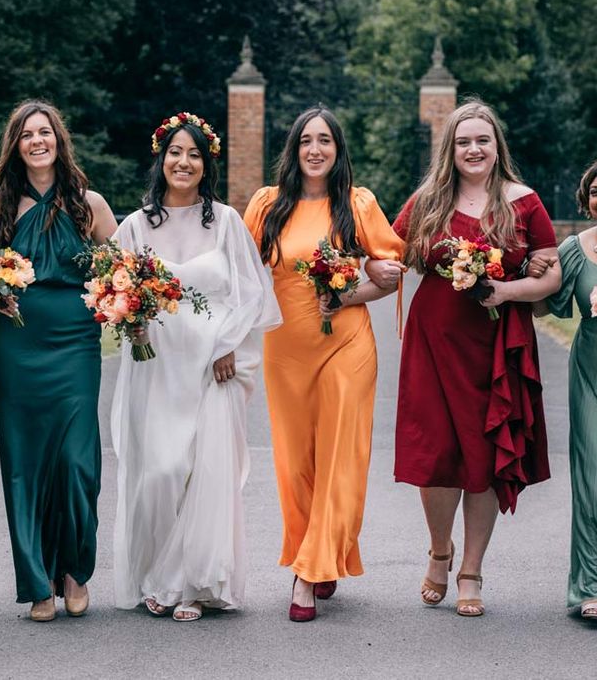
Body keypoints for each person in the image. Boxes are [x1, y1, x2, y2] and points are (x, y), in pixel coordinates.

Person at [392, 99, 561, 617]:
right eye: (463, 141)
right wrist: (338, 285)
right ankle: (438, 552)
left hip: (495, 346)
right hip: (433, 342)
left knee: (484, 455)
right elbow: (390, 257)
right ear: (451, 149)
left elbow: (549, 275)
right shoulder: (429, 201)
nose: (473, 149)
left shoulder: (524, 202)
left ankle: (471, 571)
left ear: (496, 146)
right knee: (437, 454)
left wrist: (508, 293)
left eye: (482, 140)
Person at [111, 112, 281, 622]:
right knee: (160, 471)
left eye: (194, 155)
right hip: (157, 367)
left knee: (203, 473)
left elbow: (254, 294)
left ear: (205, 165)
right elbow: (115, 294)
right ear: (161, 159)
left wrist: (229, 344)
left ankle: (191, 584)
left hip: (213, 367)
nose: (183, 162)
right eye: (175, 153)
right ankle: (155, 574)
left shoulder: (225, 221)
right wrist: (131, 324)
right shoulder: (135, 225)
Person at [0, 100, 117, 621]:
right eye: (26, 135)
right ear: (16, 145)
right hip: (17, 349)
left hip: (75, 345)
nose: (37, 141)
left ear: (58, 140)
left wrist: (125, 303)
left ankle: (73, 570)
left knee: (74, 461)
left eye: (44, 132)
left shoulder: (88, 204)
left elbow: (122, 271)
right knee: (25, 467)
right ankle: (38, 583)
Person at [243, 106, 406, 622]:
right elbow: (240, 271)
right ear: (293, 149)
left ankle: (308, 573)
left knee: (340, 455)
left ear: (338, 151)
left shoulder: (357, 204)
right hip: (284, 351)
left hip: (346, 346)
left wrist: (351, 291)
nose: (315, 150)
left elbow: (390, 274)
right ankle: (321, 549)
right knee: (295, 464)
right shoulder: (267, 205)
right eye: (306, 141)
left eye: (325, 141)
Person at [535, 161, 597, 619]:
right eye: (596, 191)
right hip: (590, 374)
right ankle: (590, 586)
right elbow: (545, 306)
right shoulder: (574, 250)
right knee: (592, 478)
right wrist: (524, 270)